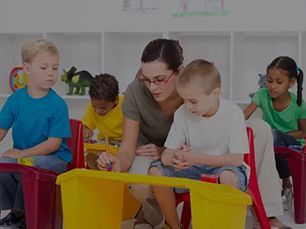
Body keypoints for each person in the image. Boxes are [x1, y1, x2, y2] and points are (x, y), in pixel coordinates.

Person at [97, 38, 288, 228]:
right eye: (145, 80)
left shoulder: (193, 85)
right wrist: (119, 162)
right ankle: (163, 218)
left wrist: (180, 153)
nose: (152, 87)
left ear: (179, 72)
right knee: (142, 182)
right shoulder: (138, 94)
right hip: (160, 152)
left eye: (160, 79)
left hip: (197, 150)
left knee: (261, 129)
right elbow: (128, 147)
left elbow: (216, 117)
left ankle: (268, 213)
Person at [148, 59, 249, 228]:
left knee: (227, 177)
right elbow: (166, 156)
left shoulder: (233, 113)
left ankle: (222, 225)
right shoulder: (182, 113)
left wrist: (197, 158)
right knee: (155, 171)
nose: (188, 107)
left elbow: (237, 159)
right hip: (193, 167)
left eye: (193, 101)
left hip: (224, 168)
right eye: (184, 100)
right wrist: (176, 158)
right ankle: (173, 225)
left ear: (215, 93)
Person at [0, 39, 71, 228]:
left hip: (55, 159)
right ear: (27, 68)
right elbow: (1, 129)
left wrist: (21, 154)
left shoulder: (58, 105)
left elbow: (53, 144)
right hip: (25, 157)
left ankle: (22, 215)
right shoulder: (16, 100)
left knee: (28, 163)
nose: (51, 73)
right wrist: (17, 155)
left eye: (55, 68)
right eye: (44, 67)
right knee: (3, 164)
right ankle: (15, 214)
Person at [244, 56, 306, 212]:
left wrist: (280, 134)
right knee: (262, 136)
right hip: (271, 143)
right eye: (270, 81)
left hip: (294, 145)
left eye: (279, 82)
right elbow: (243, 117)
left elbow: (303, 133)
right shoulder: (262, 95)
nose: (272, 86)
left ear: (291, 82)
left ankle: (286, 184)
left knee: (273, 134)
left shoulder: (299, 105)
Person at [82, 73, 123, 144]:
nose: (97, 111)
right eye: (94, 106)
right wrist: (86, 131)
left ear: (116, 100)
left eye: (103, 108)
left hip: (124, 141)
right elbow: (86, 125)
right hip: (103, 141)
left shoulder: (126, 105)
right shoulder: (91, 108)